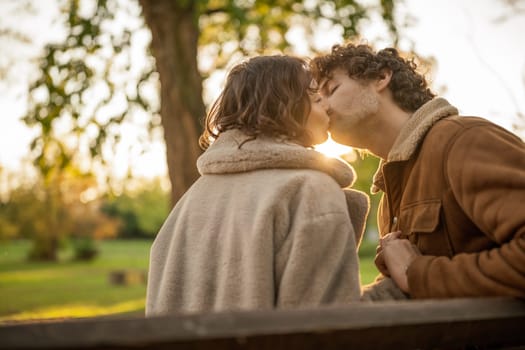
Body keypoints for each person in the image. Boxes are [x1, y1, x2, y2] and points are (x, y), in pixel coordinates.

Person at [146, 55, 370, 316]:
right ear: (288, 106)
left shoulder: (192, 198)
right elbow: (323, 324)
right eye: (316, 98)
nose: (327, 108)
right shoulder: (312, 191)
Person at [311, 43, 525, 299]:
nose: (321, 105)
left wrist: (418, 273)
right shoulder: (391, 189)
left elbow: (413, 276)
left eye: (331, 89)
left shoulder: (463, 141)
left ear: (381, 77)